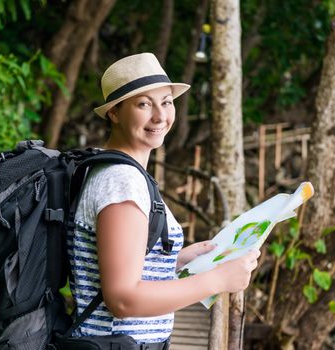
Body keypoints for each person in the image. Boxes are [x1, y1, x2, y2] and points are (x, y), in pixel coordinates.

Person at [67, 53, 260, 347]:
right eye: (144, 104)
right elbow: (123, 299)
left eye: (167, 102)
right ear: (114, 113)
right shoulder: (122, 181)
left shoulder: (118, 172)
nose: (160, 116)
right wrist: (218, 280)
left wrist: (175, 258)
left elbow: (114, 259)